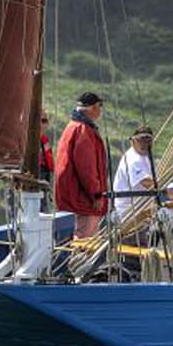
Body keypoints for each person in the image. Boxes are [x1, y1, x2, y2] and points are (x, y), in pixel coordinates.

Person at [54, 91, 110, 238]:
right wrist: (96, 195)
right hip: (85, 200)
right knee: (86, 242)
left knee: (80, 239)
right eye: (99, 106)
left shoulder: (72, 127)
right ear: (92, 108)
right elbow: (87, 169)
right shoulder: (83, 130)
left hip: (73, 195)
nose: (100, 110)